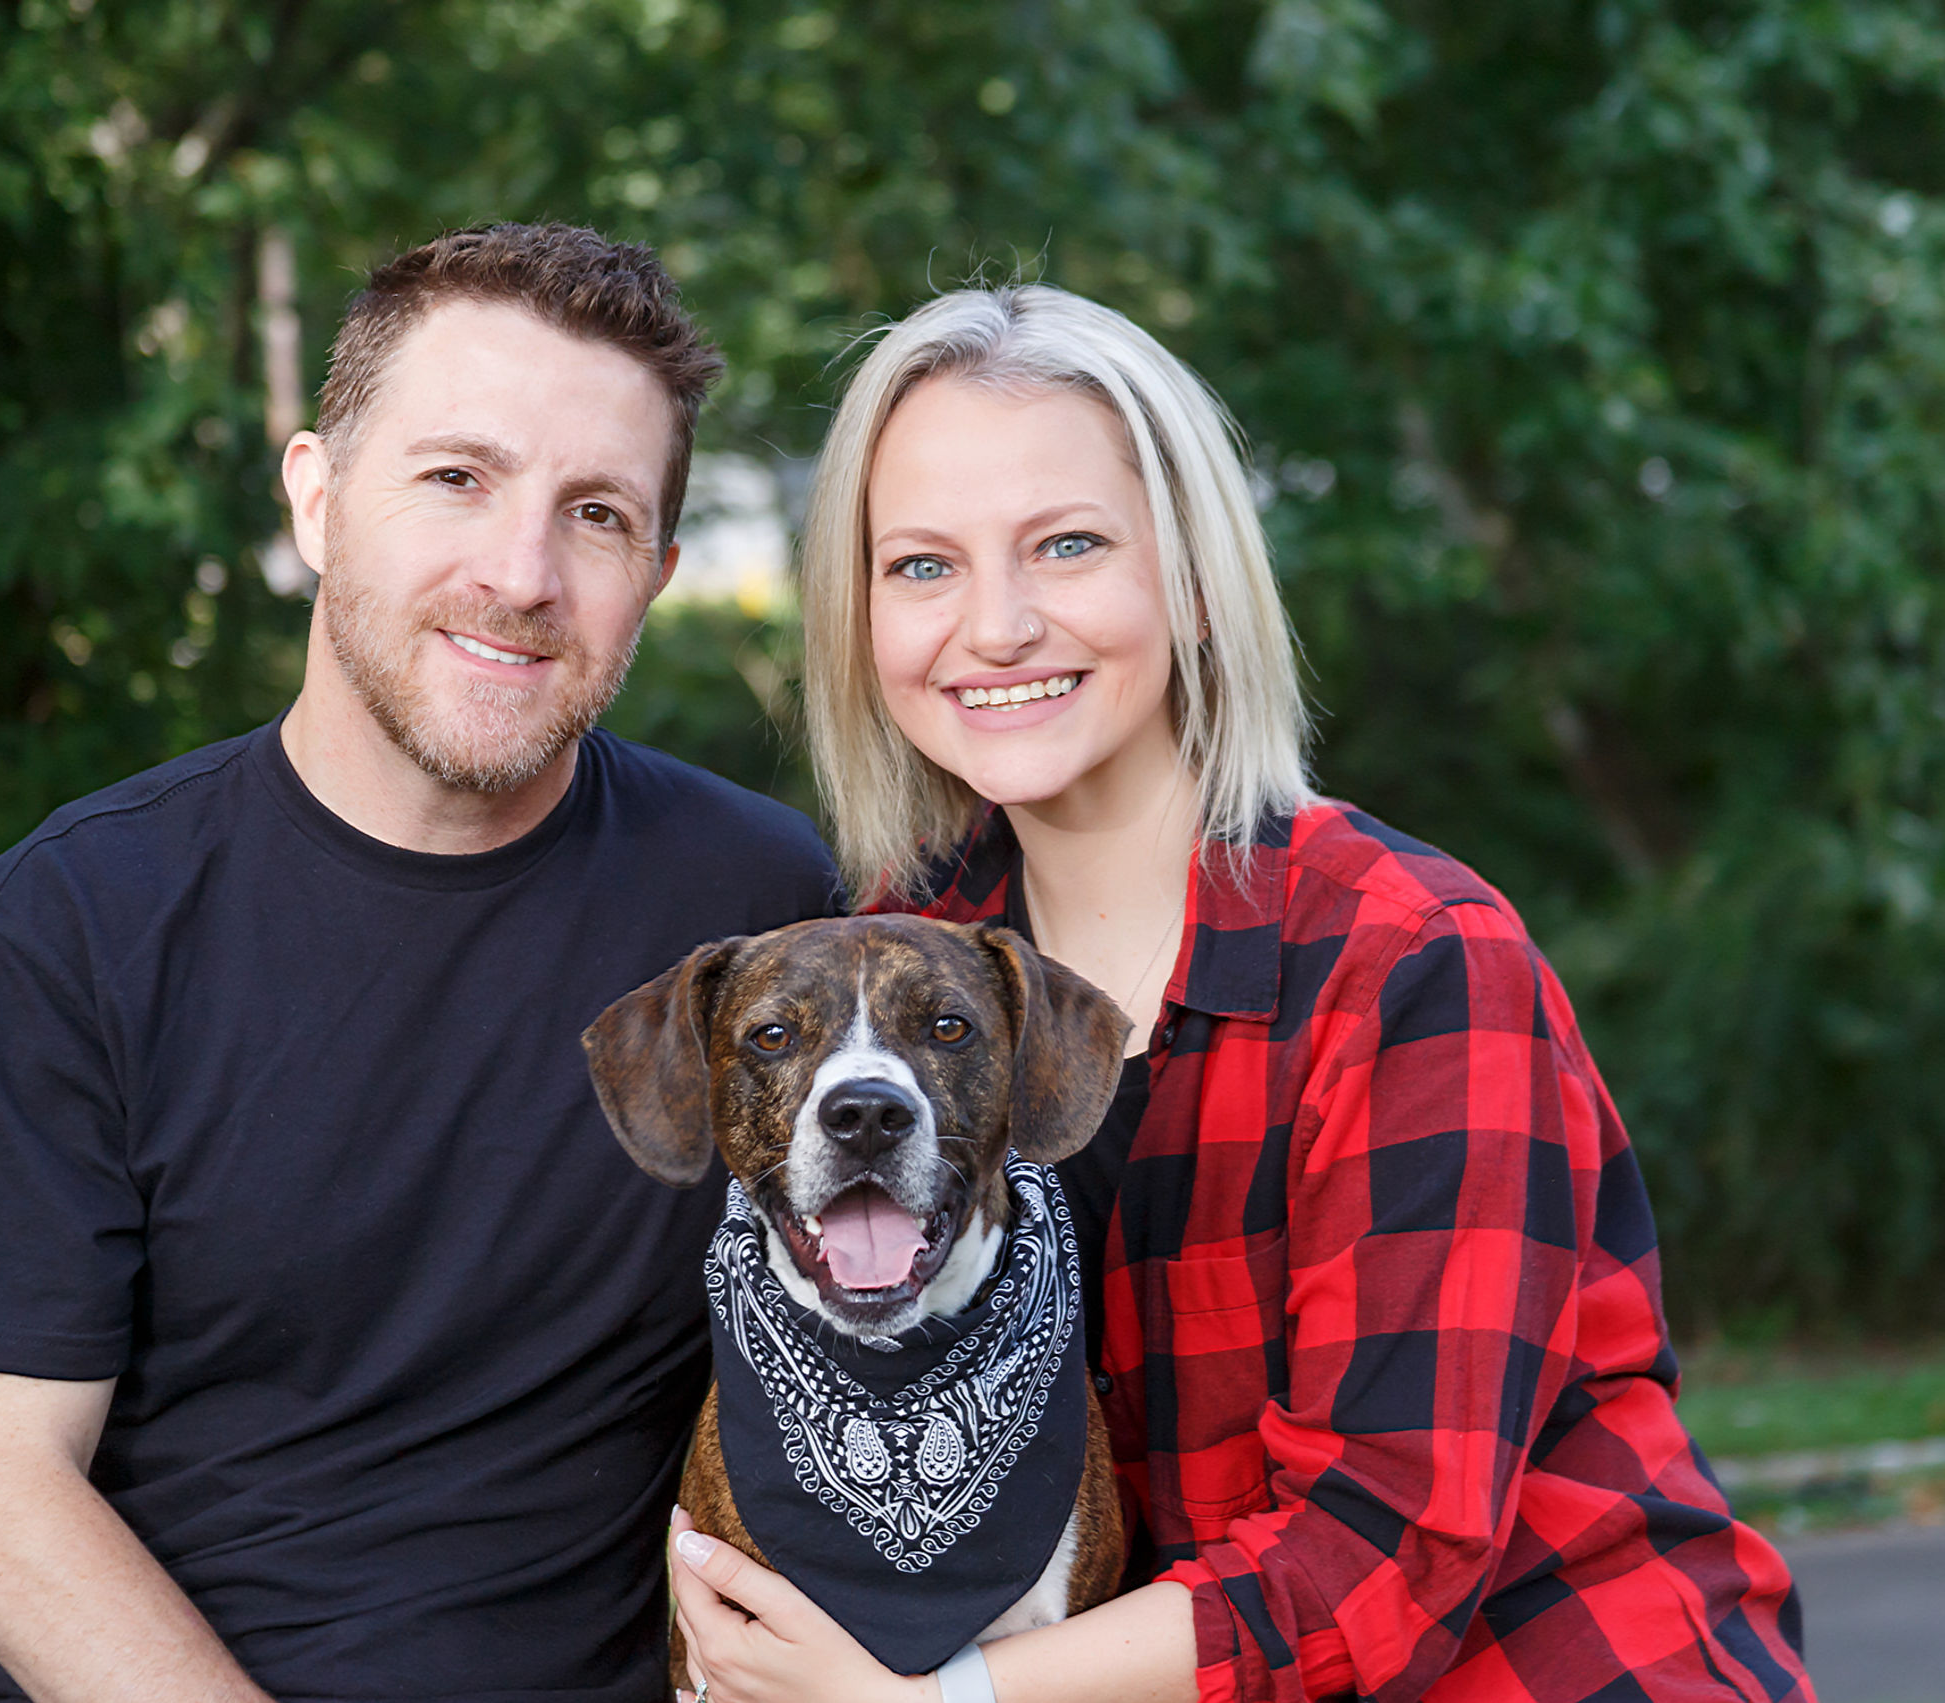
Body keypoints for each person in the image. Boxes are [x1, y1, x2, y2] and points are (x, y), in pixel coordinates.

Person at [663, 284, 1811, 1703]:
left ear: (1195, 583)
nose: (997, 625)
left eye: (1067, 545)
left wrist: (936, 1701)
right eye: (920, 566)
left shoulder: (1412, 959)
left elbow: (1389, 1548)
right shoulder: (905, 969)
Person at [0, 223, 837, 1703]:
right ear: (318, 501)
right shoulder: (70, 925)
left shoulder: (762, 917)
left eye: (594, 514)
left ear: (656, 568)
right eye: (455, 478)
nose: (520, 573)